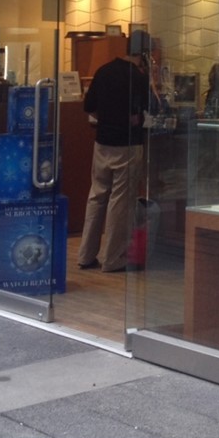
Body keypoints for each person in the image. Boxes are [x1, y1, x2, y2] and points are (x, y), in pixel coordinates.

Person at [77, 33, 158, 273]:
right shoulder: (138, 77)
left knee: (96, 196)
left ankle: (85, 254)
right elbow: (147, 110)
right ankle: (112, 259)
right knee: (119, 202)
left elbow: (89, 107)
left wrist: (108, 121)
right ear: (144, 53)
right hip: (127, 146)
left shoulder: (103, 71)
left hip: (102, 144)